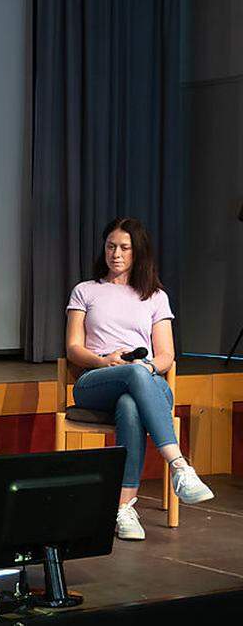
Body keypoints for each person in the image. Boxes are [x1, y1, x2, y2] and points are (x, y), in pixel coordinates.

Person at [66, 217, 214, 541]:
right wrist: (105, 361)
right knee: (132, 375)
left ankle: (123, 507)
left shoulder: (155, 296)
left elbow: (165, 356)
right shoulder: (86, 291)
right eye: (110, 246)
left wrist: (146, 368)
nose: (115, 254)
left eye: (124, 248)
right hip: (95, 380)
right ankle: (178, 465)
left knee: (131, 403)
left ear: (137, 252)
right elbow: (73, 348)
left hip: (143, 380)